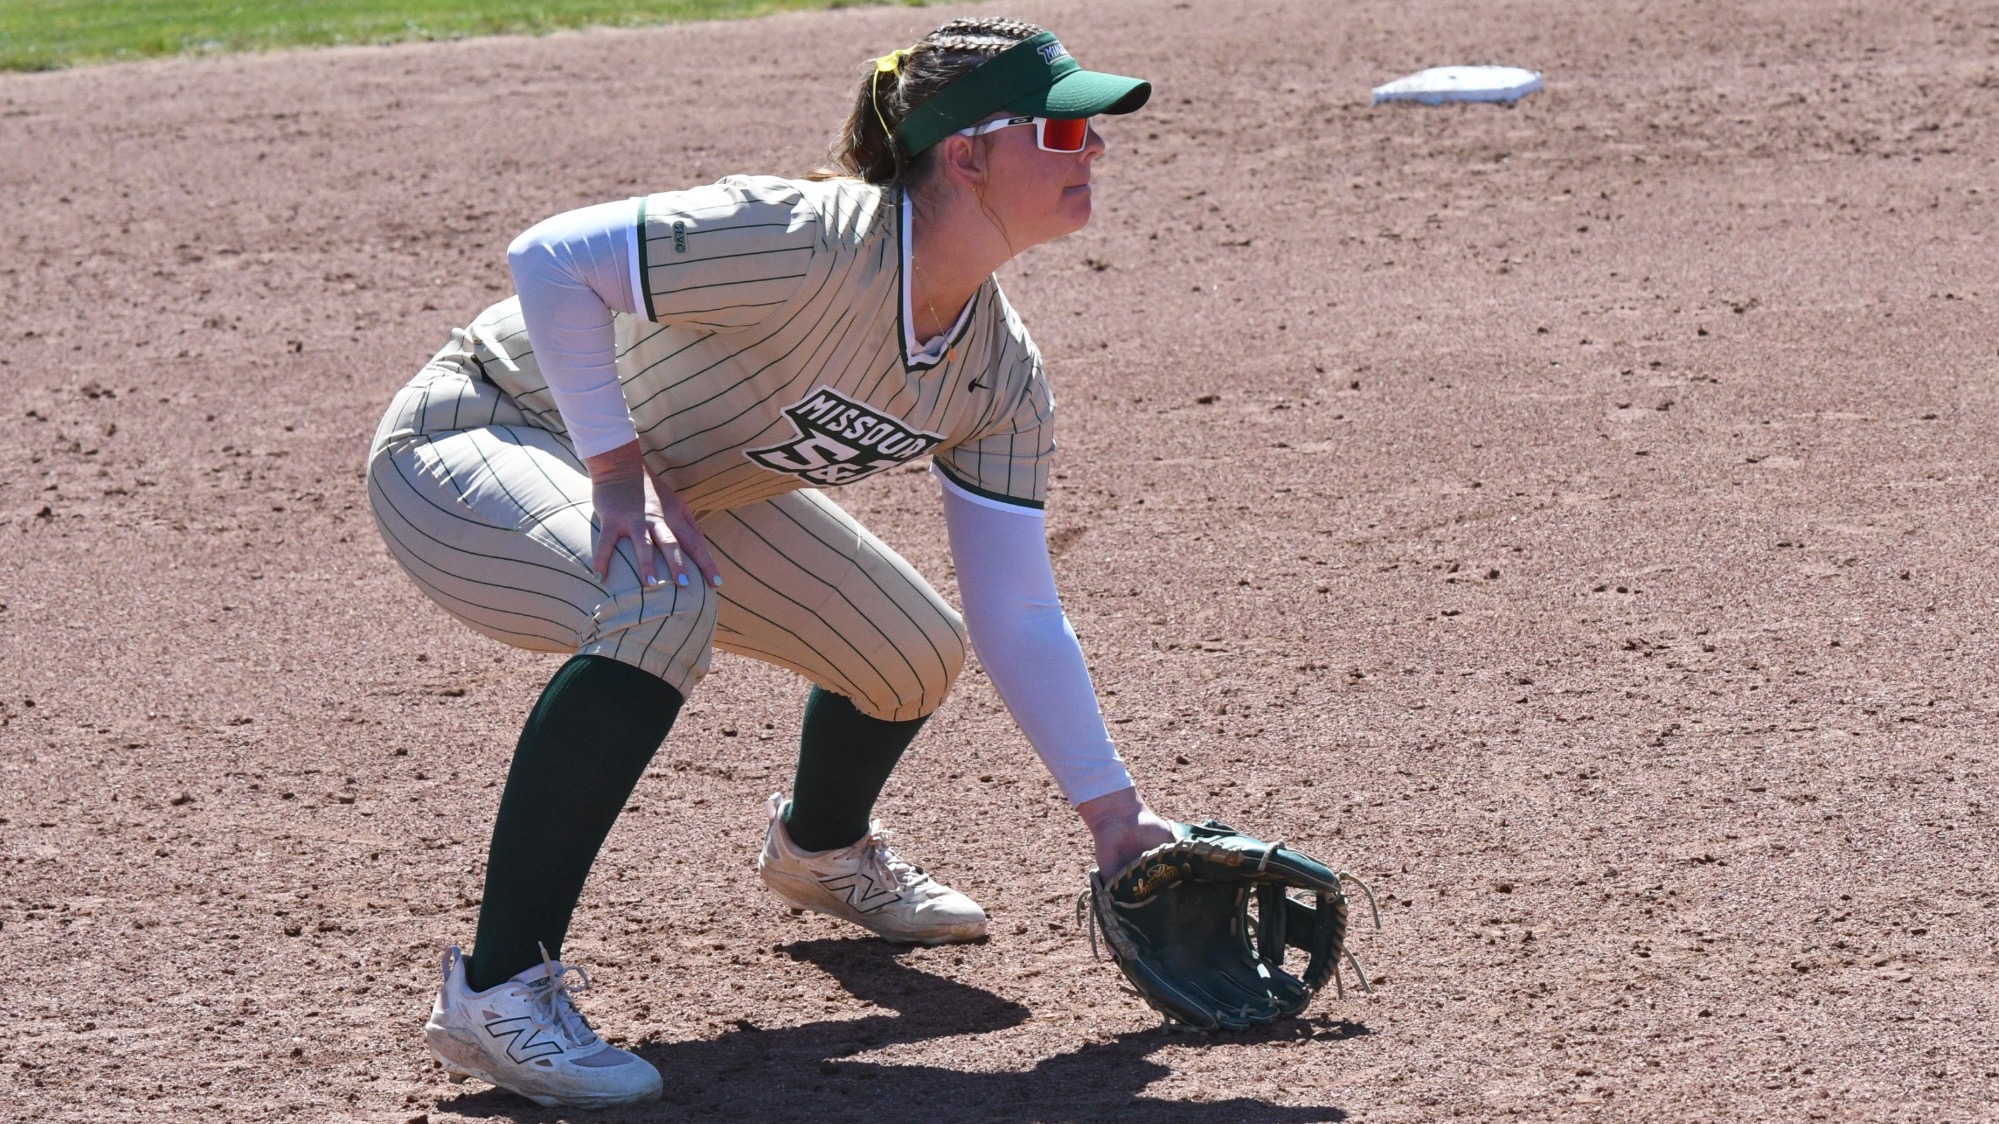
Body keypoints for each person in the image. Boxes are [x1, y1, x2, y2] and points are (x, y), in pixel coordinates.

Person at [365, 16, 1176, 1110]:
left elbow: (1018, 611)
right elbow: (552, 259)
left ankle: (820, 851)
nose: (1095, 149)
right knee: (660, 601)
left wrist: (1112, 815)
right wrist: (616, 470)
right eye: (1064, 129)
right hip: (480, 433)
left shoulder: (995, 371)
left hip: (675, 493)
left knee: (911, 651)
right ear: (966, 154)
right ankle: (500, 990)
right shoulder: (813, 234)